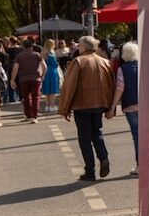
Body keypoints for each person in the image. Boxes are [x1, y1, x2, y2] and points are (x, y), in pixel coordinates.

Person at [59, 35, 114, 181]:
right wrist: (110, 107)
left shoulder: (78, 61)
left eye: (80, 45)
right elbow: (111, 85)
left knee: (84, 139)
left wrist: (65, 108)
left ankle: (90, 171)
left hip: (82, 105)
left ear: (84, 47)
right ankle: (103, 157)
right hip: (100, 104)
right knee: (97, 133)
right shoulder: (104, 62)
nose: (78, 47)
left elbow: (69, 86)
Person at [107, 42, 139, 176]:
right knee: (147, 136)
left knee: (137, 136)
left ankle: (140, 165)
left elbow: (120, 88)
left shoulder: (122, 69)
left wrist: (113, 106)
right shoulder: (143, 66)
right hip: (146, 105)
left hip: (130, 105)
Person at [10, 38, 46, 122]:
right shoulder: (37, 55)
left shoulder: (19, 56)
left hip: (23, 79)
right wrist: (42, 76)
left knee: (25, 98)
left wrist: (12, 80)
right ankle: (34, 116)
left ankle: (28, 115)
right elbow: (44, 66)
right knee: (35, 97)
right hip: (35, 78)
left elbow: (15, 68)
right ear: (32, 46)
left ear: (23, 46)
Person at [41, 39, 61, 112]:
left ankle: (47, 105)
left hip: (45, 71)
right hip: (52, 71)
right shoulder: (52, 53)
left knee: (47, 89)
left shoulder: (43, 52)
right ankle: (52, 105)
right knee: (53, 89)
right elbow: (55, 64)